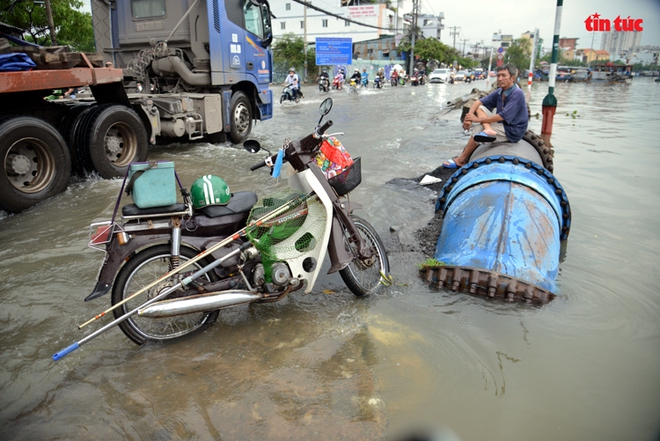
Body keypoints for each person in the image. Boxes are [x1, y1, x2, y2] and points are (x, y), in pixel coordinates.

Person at [442, 64, 528, 169]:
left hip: (513, 130)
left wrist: (477, 119)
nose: (500, 79)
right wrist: (468, 119)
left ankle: (461, 160)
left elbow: (503, 116)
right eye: (498, 75)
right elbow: (477, 102)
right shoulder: (500, 92)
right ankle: (488, 129)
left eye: (504, 76)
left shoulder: (517, 93)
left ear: (513, 78)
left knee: (478, 129)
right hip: (503, 125)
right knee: (480, 107)